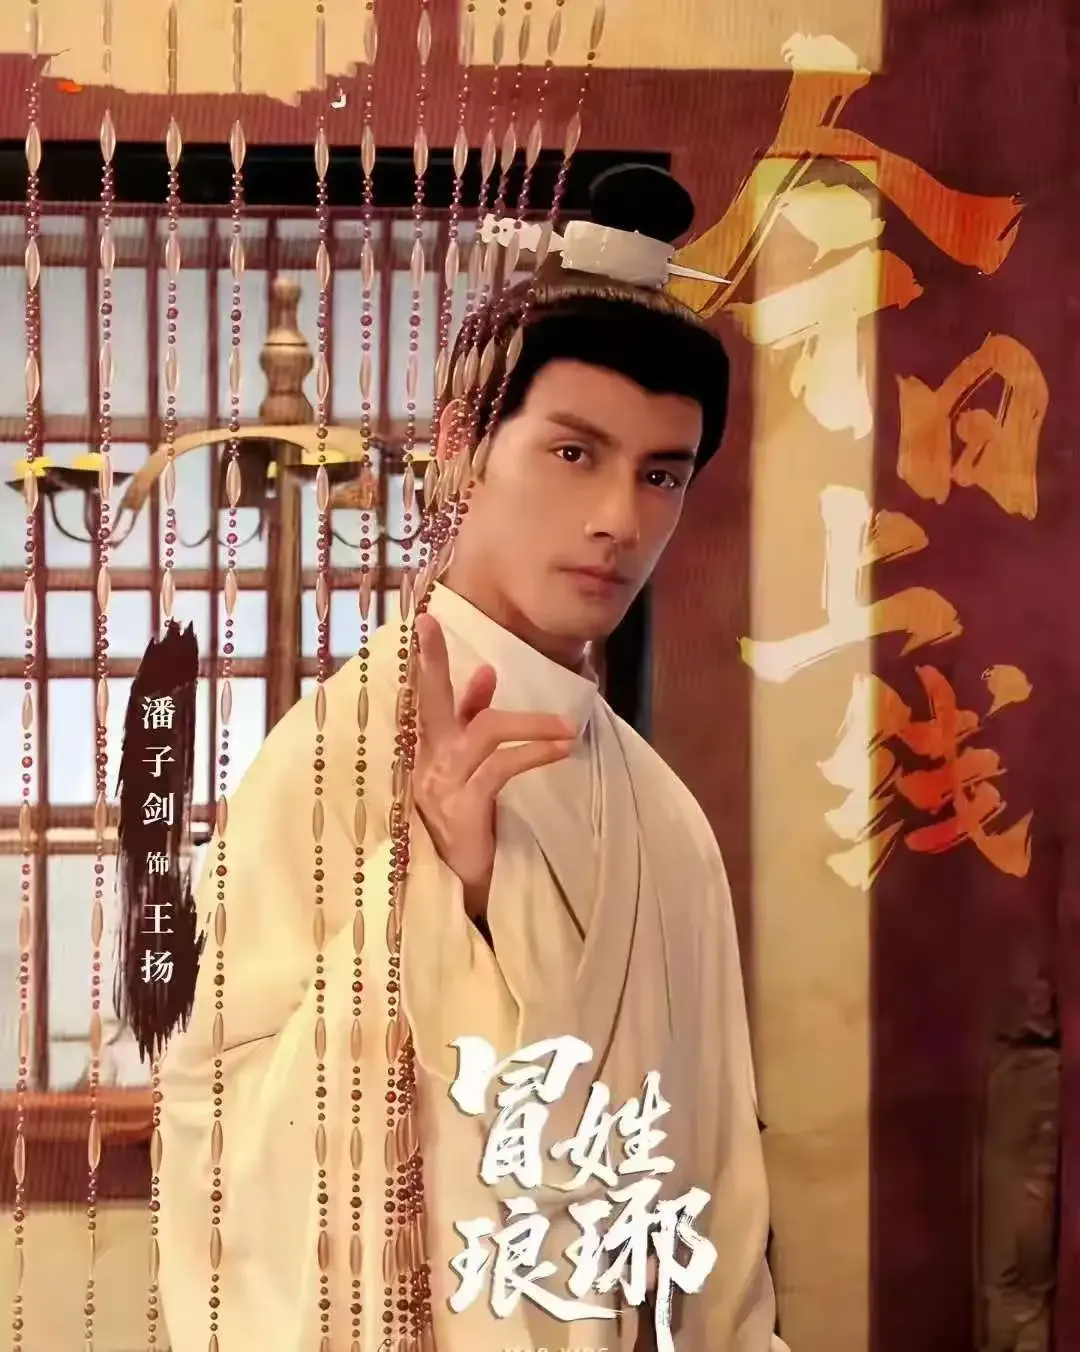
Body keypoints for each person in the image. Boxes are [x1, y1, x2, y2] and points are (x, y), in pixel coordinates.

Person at [156, 167, 786, 1352]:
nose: (620, 519)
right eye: (573, 452)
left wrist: (498, 899)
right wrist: (439, 905)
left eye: (661, 473)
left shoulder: (664, 813)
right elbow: (217, 1127)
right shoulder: (334, 754)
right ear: (462, 447)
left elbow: (710, 1177)